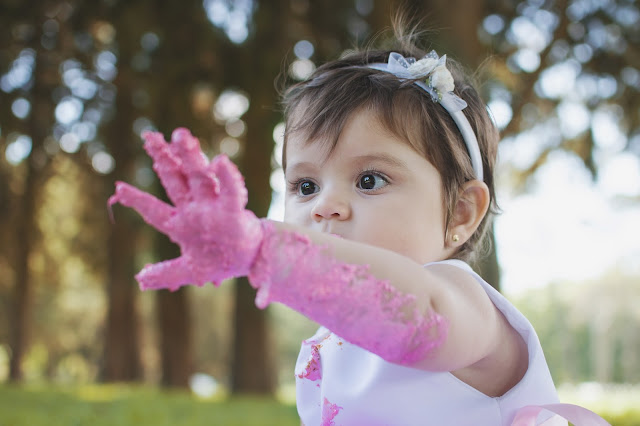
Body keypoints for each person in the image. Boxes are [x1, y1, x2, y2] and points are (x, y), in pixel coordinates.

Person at [109, 23, 609, 426]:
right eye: (305, 186)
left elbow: (417, 319)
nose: (325, 207)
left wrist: (264, 249)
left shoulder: (461, 303)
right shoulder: (332, 341)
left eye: (369, 179)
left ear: (459, 212)